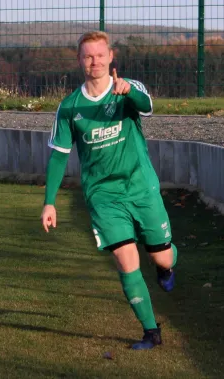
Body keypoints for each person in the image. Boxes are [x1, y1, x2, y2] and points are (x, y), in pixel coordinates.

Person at [40, 31, 178, 350]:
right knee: (125, 259)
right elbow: (59, 155)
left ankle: (165, 265)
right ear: (79, 60)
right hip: (104, 196)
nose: (95, 62)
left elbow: (146, 106)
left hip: (140, 186)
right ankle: (150, 332)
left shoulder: (127, 88)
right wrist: (49, 203)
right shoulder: (69, 108)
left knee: (161, 256)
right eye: (88, 56)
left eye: (100, 55)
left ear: (111, 56)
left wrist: (129, 92)